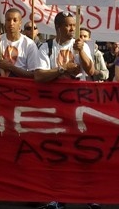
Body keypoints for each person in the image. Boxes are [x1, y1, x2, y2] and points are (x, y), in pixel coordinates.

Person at [33, 11, 94, 209]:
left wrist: (82, 51)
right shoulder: (46, 47)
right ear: (58, 27)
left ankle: (87, 194)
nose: (72, 29)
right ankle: (57, 196)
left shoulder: (81, 46)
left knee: (81, 150)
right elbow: (39, 76)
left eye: (74, 25)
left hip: (78, 106)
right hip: (54, 108)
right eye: (68, 25)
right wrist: (62, 69)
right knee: (56, 152)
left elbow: (91, 71)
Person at [0, 8, 41, 78]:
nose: (11, 23)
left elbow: (33, 74)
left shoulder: (29, 44)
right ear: (5, 22)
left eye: (15, 20)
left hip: (19, 87)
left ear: (20, 23)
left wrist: (11, 67)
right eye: (8, 20)